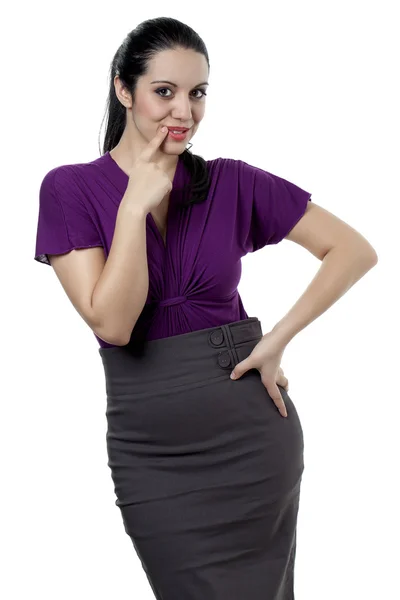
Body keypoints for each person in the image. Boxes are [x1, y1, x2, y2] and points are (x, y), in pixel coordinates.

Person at [33, 16, 378, 600]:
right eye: (164, 92)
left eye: (197, 93)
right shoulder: (69, 189)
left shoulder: (232, 184)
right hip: (152, 453)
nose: (183, 112)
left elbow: (353, 250)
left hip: (251, 439)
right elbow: (113, 325)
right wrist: (132, 208)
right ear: (124, 89)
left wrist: (276, 340)